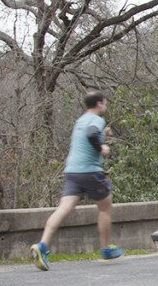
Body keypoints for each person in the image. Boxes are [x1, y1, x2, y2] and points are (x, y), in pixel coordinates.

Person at [31, 90, 124, 270]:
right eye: (104, 103)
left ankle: (42, 245)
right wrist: (102, 148)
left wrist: (103, 134)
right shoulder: (97, 120)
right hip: (90, 171)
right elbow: (91, 134)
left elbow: (87, 135)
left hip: (72, 171)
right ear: (99, 104)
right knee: (105, 207)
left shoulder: (80, 120)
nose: (105, 106)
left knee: (63, 209)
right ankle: (105, 250)